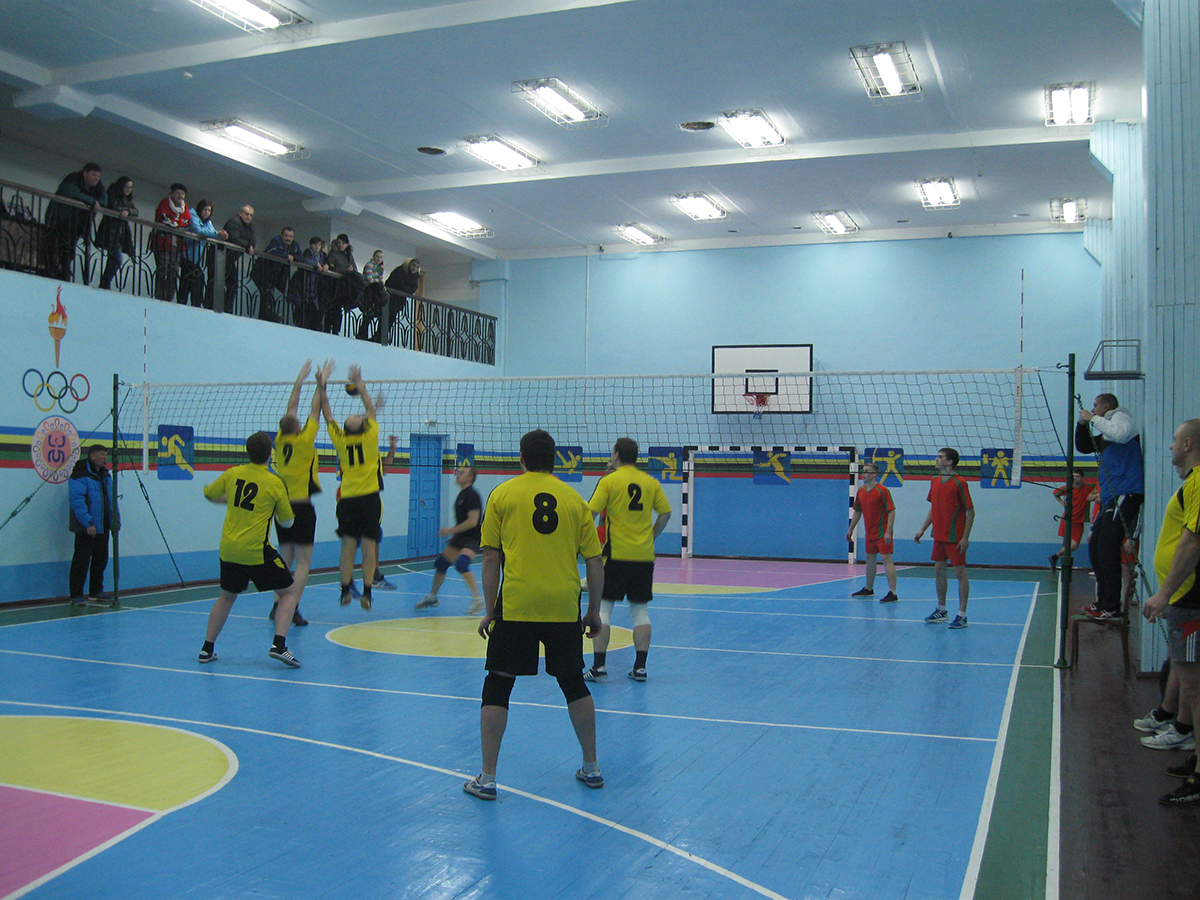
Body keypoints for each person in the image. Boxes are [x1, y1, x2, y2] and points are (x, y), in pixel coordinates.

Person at [464, 429, 605, 801]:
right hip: (563, 605)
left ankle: (488, 778)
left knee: (498, 684)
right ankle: (591, 766)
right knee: (573, 683)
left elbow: (490, 558)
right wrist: (593, 611)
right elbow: (594, 560)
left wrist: (490, 611)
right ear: (555, 459)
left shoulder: (502, 494)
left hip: (518, 604)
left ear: (521, 458)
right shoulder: (575, 500)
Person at [198, 431, 302, 668]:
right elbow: (287, 522)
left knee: (226, 596)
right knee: (289, 592)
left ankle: (206, 649)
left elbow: (209, 493)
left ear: (247, 452)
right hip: (256, 550)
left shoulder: (233, 473)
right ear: (270, 453)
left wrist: (230, 501)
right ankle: (279, 645)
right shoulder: (274, 482)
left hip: (229, 548)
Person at [1142, 419, 1200, 805]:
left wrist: (1165, 593)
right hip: (1184, 599)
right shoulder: (1191, 482)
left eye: (1175, 440)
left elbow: (1192, 543)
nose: (1170, 446)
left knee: (1195, 688)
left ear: (1189, 443)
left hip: (1190, 599)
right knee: (1188, 679)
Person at [583, 437, 671, 682]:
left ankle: (599, 667)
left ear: (617, 455)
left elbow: (590, 513)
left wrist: (583, 543)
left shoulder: (609, 481)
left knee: (604, 609)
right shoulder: (650, 482)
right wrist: (651, 536)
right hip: (643, 556)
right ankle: (640, 668)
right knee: (640, 612)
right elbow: (665, 513)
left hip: (616, 555)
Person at [267, 359, 335, 628]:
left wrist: (299, 378)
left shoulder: (279, 439)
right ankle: (291, 606)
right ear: (297, 428)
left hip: (281, 509)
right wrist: (321, 382)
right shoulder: (305, 441)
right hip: (302, 508)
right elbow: (315, 409)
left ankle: (277, 604)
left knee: (285, 558)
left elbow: (292, 407)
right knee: (304, 562)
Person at [1076, 393, 1144, 619]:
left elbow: (1121, 434)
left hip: (1126, 492)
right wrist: (1082, 424)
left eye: (1096, 405)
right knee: (1096, 544)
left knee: (1107, 547)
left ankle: (1112, 606)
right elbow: (1084, 446)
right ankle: (1103, 602)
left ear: (1106, 406)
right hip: (1111, 497)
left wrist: (1093, 419)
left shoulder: (1121, 417)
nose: (1093, 408)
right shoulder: (1107, 432)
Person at [325, 365, 381, 610]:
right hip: (369, 499)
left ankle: (345, 589)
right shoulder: (370, 437)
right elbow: (370, 410)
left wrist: (322, 385)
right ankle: (367, 593)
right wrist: (360, 384)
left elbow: (328, 415)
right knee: (368, 549)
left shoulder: (340, 440)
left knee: (347, 548)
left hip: (347, 499)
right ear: (363, 426)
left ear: (345, 430)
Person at [914, 447, 974, 628]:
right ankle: (941, 610)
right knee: (939, 569)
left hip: (955, 536)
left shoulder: (960, 483)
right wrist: (923, 529)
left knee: (960, 573)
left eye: (940, 457)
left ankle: (962, 615)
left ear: (949, 461)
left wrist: (965, 537)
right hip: (938, 535)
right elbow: (934, 508)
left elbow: (970, 511)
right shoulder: (935, 481)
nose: (936, 459)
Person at [416, 465, 484, 614]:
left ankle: (477, 600)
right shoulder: (462, 495)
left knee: (461, 564)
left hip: (472, 538)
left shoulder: (472, 495)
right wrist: (455, 535)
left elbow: (473, 521)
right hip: (460, 537)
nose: (458, 474)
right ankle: (432, 597)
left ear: (470, 478)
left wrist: (451, 530)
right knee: (441, 563)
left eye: (462, 472)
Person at [67, 444, 119, 606]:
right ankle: (76, 594)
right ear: (92, 456)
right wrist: (88, 523)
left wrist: (115, 520)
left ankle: (96, 591)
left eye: (105, 455)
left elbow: (111, 500)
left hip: (103, 525)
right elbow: (77, 501)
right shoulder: (79, 475)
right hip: (86, 527)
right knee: (81, 561)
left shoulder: (106, 476)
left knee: (100, 559)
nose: (105, 458)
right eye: (102, 454)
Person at [847, 461, 899, 602]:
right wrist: (850, 529)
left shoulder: (882, 490)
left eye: (867, 471)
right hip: (869, 533)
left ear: (875, 474)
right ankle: (868, 588)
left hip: (882, 532)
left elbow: (892, 511)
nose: (863, 474)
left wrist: (888, 532)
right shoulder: (861, 491)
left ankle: (892, 592)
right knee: (870, 558)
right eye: (863, 471)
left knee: (886, 559)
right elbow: (857, 511)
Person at [45, 162, 104, 282]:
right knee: (57, 246)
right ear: (85, 173)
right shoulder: (72, 179)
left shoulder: (98, 186)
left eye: (98, 176)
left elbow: (104, 200)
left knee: (69, 248)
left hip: (77, 223)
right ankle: (55, 271)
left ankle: (64, 271)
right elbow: (71, 193)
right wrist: (92, 201)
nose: (96, 178)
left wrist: (93, 201)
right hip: (60, 219)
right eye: (94, 175)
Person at [181, 200, 227, 309]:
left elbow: (212, 232)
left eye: (209, 211)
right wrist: (217, 234)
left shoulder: (208, 223)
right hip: (187, 256)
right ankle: (183, 303)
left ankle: (196, 305)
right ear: (200, 209)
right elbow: (198, 231)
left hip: (197, 260)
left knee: (197, 280)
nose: (207, 212)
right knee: (187, 281)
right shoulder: (193, 214)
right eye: (205, 210)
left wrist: (221, 235)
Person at [150, 183, 190, 302]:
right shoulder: (164, 203)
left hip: (177, 246)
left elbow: (187, 222)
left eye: (182, 194)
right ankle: (159, 296)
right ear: (172, 194)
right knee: (163, 269)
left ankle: (168, 298)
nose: (180, 196)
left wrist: (176, 223)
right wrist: (177, 223)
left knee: (174, 272)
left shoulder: (185, 207)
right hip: (162, 243)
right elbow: (164, 219)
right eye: (178, 193)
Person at [96, 176, 137, 291]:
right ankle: (105, 283)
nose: (128, 190)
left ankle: (105, 283)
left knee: (113, 259)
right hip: (110, 231)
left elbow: (135, 211)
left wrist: (128, 211)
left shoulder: (127, 200)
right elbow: (114, 207)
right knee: (117, 258)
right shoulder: (113, 193)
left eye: (130, 187)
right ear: (121, 186)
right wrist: (125, 210)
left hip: (120, 234)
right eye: (126, 187)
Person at [254, 226, 301, 323]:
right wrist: (286, 256)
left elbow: (300, 256)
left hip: (274, 274)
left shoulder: (295, 245)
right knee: (267, 293)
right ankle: (269, 317)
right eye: (286, 236)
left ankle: (264, 317)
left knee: (267, 294)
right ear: (282, 236)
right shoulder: (275, 241)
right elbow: (272, 251)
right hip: (262, 271)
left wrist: (293, 257)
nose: (288, 238)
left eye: (290, 236)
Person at [1050, 470, 1091, 571]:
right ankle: (1062, 564)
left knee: (1074, 545)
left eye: (1077, 476)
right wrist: (1062, 503)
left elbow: (1098, 489)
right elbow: (1055, 493)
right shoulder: (1068, 488)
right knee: (1067, 544)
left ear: (1082, 478)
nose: (1075, 478)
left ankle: (1054, 557)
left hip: (1079, 520)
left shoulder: (1089, 487)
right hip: (1068, 519)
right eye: (1073, 476)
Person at [326, 234, 364, 332]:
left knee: (339, 309)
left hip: (345, 286)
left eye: (343, 243)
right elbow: (332, 268)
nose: (340, 245)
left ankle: (336, 329)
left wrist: (350, 270)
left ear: (347, 244)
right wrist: (345, 270)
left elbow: (354, 268)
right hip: (335, 285)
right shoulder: (333, 253)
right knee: (333, 307)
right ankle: (329, 328)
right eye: (339, 243)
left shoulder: (348, 254)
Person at [222, 205, 257, 314]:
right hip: (220, 256)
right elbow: (234, 238)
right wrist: (248, 245)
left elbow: (253, 241)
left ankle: (227, 309)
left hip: (230, 259)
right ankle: (212, 305)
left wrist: (250, 245)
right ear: (240, 214)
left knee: (233, 283)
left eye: (251, 215)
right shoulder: (233, 222)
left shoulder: (251, 227)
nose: (249, 217)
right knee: (216, 282)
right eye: (246, 214)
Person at [382, 257, 422, 345]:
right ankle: (379, 336)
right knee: (384, 318)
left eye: (417, 267)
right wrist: (406, 288)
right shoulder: (400, 271)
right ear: (409, 265)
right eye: (414, 265)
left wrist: (405, 288)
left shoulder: (415, 277)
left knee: (391, 319)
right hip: (390, 298)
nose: (415, 268)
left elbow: (413, 289)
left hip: (399, 301)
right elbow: (398, 284)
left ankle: (383, 336)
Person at [294, 237, 329, 331]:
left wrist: (326, 265)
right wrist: (316, 264)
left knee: (315, 307)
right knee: (305, 305)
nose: (317, 247)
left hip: (316, 285)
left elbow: (326, 262)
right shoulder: (308, 252)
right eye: (315, 245)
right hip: (306, 282)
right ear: (311, 245)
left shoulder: (322, 255)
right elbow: (305, 260)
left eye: (319, 245)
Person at [357, 249, 387, 341]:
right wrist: (379, 282)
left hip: (374, 294)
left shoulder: (378, 267)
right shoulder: (370, 265)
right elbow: (369, 279)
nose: (379, 259)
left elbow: (379, 278)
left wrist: (381, 273)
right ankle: (362, 335)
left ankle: (364, 335)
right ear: (373, 257)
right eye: (377, 256)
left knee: (370, 316)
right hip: (368, 293)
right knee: (367, 314)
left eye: (381, 257)